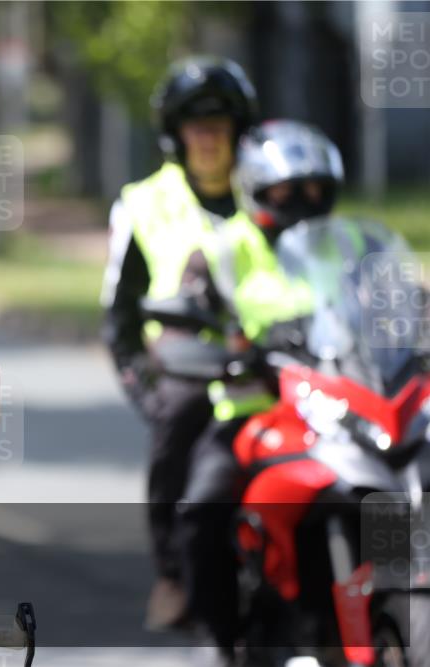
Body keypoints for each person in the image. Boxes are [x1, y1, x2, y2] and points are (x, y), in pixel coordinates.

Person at [176, 120, 345, 661]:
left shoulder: (356, 244)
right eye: (286, 190)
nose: (302, 201)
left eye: (315, 189)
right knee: (203, 505)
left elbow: (404, 306)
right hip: (253, 415)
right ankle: (220, 638)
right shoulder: (220, 251)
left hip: (346, 415)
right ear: (253, 189)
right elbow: (178, 330)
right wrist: (225, 356)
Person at [100, 55, 258, 629]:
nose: (210, 138)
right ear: (176, 134)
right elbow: (118, 314)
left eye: (220, 124)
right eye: (197, 126)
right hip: (183, 367)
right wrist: (146, 389)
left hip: (272, 363)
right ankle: (172, 573)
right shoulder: (143, 202)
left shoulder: (273, 190)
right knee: (178, 435)